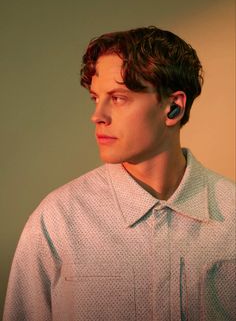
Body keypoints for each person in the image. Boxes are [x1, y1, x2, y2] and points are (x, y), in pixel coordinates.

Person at [3, 26, 235, 321]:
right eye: (95, 98)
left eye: (119, 97)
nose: (97, 115)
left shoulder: (233, 215)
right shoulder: (56, 220)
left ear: (173, 108)